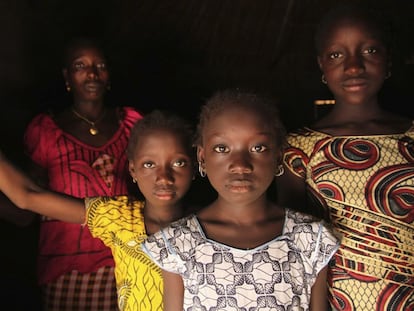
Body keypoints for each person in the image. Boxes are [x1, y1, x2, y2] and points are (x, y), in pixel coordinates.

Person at [142, 89, 340, 311]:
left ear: (277, 157)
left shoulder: (311, 240)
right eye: (222, 148)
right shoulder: (178, 243)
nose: (240, 164)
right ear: (202, 157)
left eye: (258, 147)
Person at [276, 4, 414, 310]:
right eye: (337, 55)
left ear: (388, 60)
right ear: (321, 66)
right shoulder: (299, 148)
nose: (353, 66)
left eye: (370, 51)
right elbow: (293, 245)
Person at [0, 109, 195, 311]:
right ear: (132, 170)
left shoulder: (208, 226)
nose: (164, 177)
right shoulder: (119, 217)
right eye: (149, 164)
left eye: (178, 162)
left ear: (195, 165)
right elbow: (27, 196)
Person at [23, 37, 142, 310]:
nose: (92, 73)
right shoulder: (46, 132)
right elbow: (28, 203)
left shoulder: (133, 125)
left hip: (127, 259)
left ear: (108, 75)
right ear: (67, 76)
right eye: (80, 66)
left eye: (100, 65)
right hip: (68, 270)